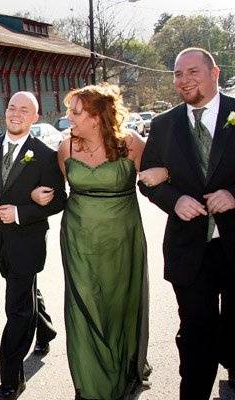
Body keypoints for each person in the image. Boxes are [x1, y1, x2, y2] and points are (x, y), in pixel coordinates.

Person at [53, 83, 168, 399]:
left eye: (75, 112)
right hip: (78, 240)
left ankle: (120, 369)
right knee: (84, 304)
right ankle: (89, 381)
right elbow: (54, 191)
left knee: (118, 304)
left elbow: (156, 179)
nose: (68, 118)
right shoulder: (66, 148)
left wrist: (165, 174)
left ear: (96, 116)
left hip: (122, 239)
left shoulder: (131, 144)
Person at [139, 47, 235, 399]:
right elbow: (147, 181)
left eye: (192, 72)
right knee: (195, 332)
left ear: (215, 73)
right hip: (190, 252)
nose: (184, 80)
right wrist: (174, 199)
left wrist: (234, 194)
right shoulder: (164, 125)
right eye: (178, 74)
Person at [0, 92, 66, 400]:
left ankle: (12, 379)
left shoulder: (45, 154)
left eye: (25, 110)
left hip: (26, 242)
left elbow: (59, 199)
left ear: (35, 117)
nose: (16, 113)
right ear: (5, 111)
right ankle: (46, 329)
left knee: (17, 308)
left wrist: (20, 211)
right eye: (12, 107)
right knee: (24, 291)